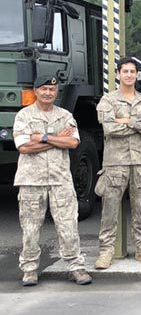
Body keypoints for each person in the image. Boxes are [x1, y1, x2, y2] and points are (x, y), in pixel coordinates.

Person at [13, 75, 91, 286]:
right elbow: (24, 147)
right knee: (30, 228)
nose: (48, 93)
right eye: (44, 89)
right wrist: (58, 139)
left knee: (68, 226)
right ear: (36, 91)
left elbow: (73, 142)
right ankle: (29, 269)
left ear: (57, 93)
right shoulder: (24, 116)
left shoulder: (65, 115)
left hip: (60, 180)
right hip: (31, 180)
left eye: (52, 90)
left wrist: (44, 137)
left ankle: (76, 266)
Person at [94, 57, 141, 269]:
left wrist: (127, 121)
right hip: (115, 163)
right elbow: (109, 129)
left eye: (133, 72)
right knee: (109, 209)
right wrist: (139, 121)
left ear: (137, 75)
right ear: (118, 74)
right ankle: (106, 251)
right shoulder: (108, 100)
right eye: (126, 71)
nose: (130, 75)